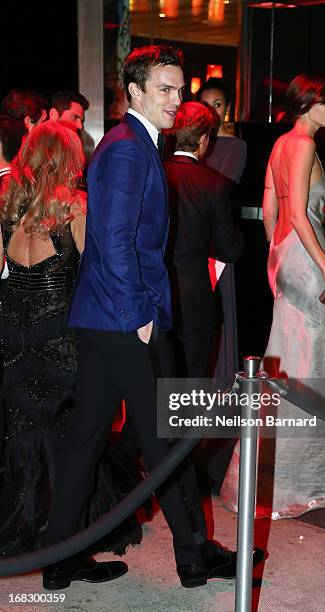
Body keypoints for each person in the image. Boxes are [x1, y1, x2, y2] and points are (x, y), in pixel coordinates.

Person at [42, 45, 262, 591]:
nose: (176, 98)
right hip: (124, 320)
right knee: (167, 437)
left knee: (88, 439)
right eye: (165, 88)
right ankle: (192, 556)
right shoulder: (127, 150)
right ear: (134, 92)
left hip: (104, 318)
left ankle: (60, 556)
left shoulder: (134, 145)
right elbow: (113, 240)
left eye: (179, 88)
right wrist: (139, 314)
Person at [221, 73, 325, 518]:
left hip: (287, 261)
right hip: (308, 264)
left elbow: (270, 211)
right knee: (317, 366)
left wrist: (276, 263)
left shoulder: (280, 143)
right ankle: (320, 476)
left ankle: (284, 472)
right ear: (309, 103)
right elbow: (297, 215)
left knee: (290, 363)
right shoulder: (304, 145)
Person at [0, 121, 142, 557]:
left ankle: (23, 519)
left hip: (11, 328)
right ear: (70, 160)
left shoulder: (6, 204)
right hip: (61, 332)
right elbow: (97, 273)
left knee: (22, 425)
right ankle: (66, 531)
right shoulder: (76, 208)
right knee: (70, 428)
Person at [164, 101, 243, 378]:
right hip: (196, 295)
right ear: (203, 139)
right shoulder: (215, 184)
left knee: (158, 380)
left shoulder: (155, 173)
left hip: (155, 292)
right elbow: (230, 249)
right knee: (194, 380)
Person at [196, 78, 247, 494]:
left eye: (218, 103)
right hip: (198, 252)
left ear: (227, 106)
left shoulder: (233, 147)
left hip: (218, 256)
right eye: (205, 105)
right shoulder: (194, 149)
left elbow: (216, 189)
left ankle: (218, 447)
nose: (211, 111)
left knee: (222, 339)